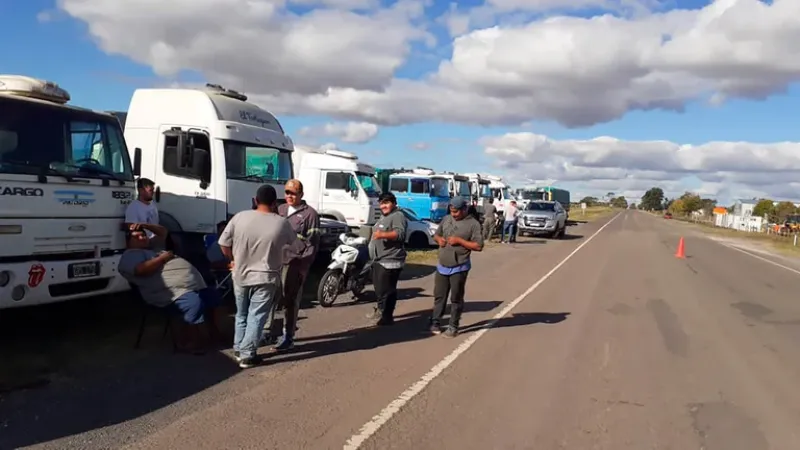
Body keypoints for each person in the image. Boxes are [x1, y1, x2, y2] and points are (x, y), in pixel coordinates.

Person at [218, 185, 296, 369]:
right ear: (275, 202)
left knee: (242, 313)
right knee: (256, 316)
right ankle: (247, 355)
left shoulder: (239, 217)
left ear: (255, 200)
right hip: (266, 276)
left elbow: (223, 243)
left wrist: (232, 260)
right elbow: (295, 247)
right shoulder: (281, 223)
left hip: (240, 274)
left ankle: (239, 348)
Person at [119, 222, 222, 354]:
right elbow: (141, 270)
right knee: (193, 302)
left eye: (143, 236)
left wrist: (144, 225)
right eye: (136, 237)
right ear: (128, 242)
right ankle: (187, 342)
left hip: (190, 285)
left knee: (213, 297)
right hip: (166, 292)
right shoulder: (130, 254)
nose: (142, 238)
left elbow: (163, 232)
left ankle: (213, 332)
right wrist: (162, 259)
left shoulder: (152, 248)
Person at [272, 179, 320, 351]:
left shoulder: (310, 215)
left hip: (294, 264)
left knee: (290, 300)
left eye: (293, 193)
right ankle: (267, 332)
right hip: (275, 262)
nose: (289, 196)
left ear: (301, 194)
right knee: (270, 297)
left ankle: (288, 336)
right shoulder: (280, 210)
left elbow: (312, 244)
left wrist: (303, 268)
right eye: (287, 192)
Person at [430, 196, 483, 337]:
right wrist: (439, 239)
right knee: (439, 296)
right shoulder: (446, 219)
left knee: (456, 298)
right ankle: (435, 322)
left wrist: (460, 240)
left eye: (456, 212)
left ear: (464, 209)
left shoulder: (473, 224)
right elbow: (436, 234)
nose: (454, 214)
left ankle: (453, 326)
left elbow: (478, 246)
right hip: (442, 265)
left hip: (459, 266)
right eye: (452, 211)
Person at [367, 192, 408, 326]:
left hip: (391, 260)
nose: (383, 206)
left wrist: (383, 235)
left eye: (386, 203)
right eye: (381, 203)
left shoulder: (397, 216)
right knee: (380, 289)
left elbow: (400, 234)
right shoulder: (385, 216)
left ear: (394, 203)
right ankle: (381, 311)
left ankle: (387, 315)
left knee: (387, 290)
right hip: (379, 259)